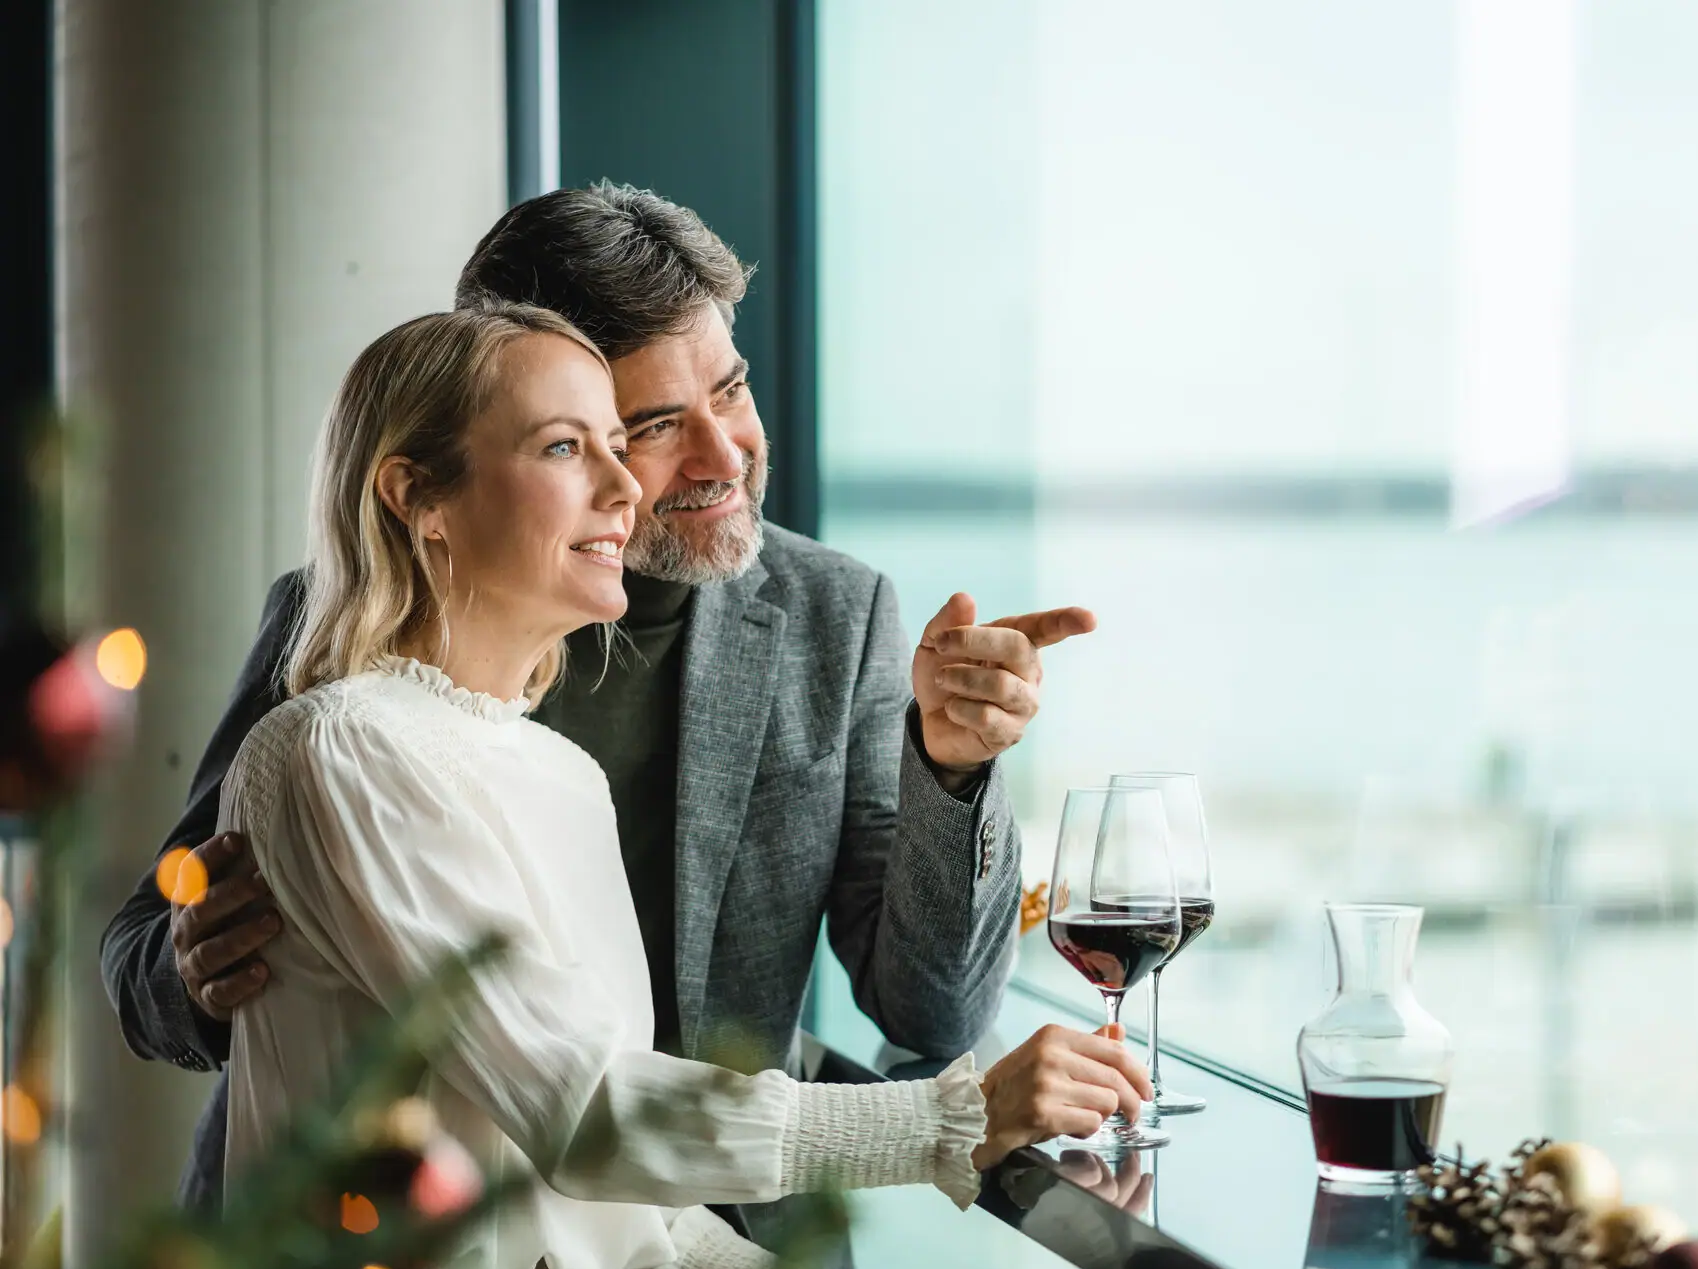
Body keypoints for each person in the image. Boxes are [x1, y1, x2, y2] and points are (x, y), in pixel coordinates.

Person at [98, 184, 1094, 1212]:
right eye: (651, 424)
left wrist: (952, 766)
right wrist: (191, 967)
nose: (725, 456)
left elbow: (931, 1011)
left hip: (694, 1228)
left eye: (733, 390)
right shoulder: (342, 637)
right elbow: (139, 962)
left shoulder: (832, 618)